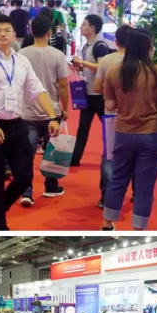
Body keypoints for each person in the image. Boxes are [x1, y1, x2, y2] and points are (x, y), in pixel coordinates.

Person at [0, 14, 60, 230]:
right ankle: (0, 226)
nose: (3, 34)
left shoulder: (21, 61)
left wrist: (52, 116)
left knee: (25, 176)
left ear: (14, 34)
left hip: (17, 123)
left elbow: (37, 89)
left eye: (7, 30)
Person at [102, 28, 157, 231]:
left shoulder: (114, 70)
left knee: (118, 178)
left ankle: (107, 223)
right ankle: (139, 228)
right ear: (147, 48)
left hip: (124, 132)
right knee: (145, 184)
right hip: (152, 132)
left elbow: (110, 105)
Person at [18, 15, 69, 207]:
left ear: (31, 31)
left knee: (26, 154)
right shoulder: (57, 55)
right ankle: (50, 186)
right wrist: (65, 108)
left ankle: (26, 192)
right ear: (49, 33)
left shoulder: (21, 54)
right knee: (52, 151)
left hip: (27, 110)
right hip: (51, 111)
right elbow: (63, 85)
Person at [94, 24, 133, 208]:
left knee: (109, 155)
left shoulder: (107, 61)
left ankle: (107, 197)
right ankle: (137, 194)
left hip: (111, 114)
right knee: (136, 156)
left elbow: (96, 87)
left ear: (115, 41)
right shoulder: (140, 61)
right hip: (135, 116)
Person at [71, 14, 111, 167]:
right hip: (87, 93)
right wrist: (79, 66)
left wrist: (83, 63)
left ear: (93, 28)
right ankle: (75, 158)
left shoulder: (100, 46)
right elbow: (89, 67)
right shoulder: (87, 46)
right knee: (83, 127)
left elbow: (102, 66)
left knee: (107, 127)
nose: (81, 27)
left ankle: (111, 156)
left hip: (99, 94)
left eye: (84, 24)